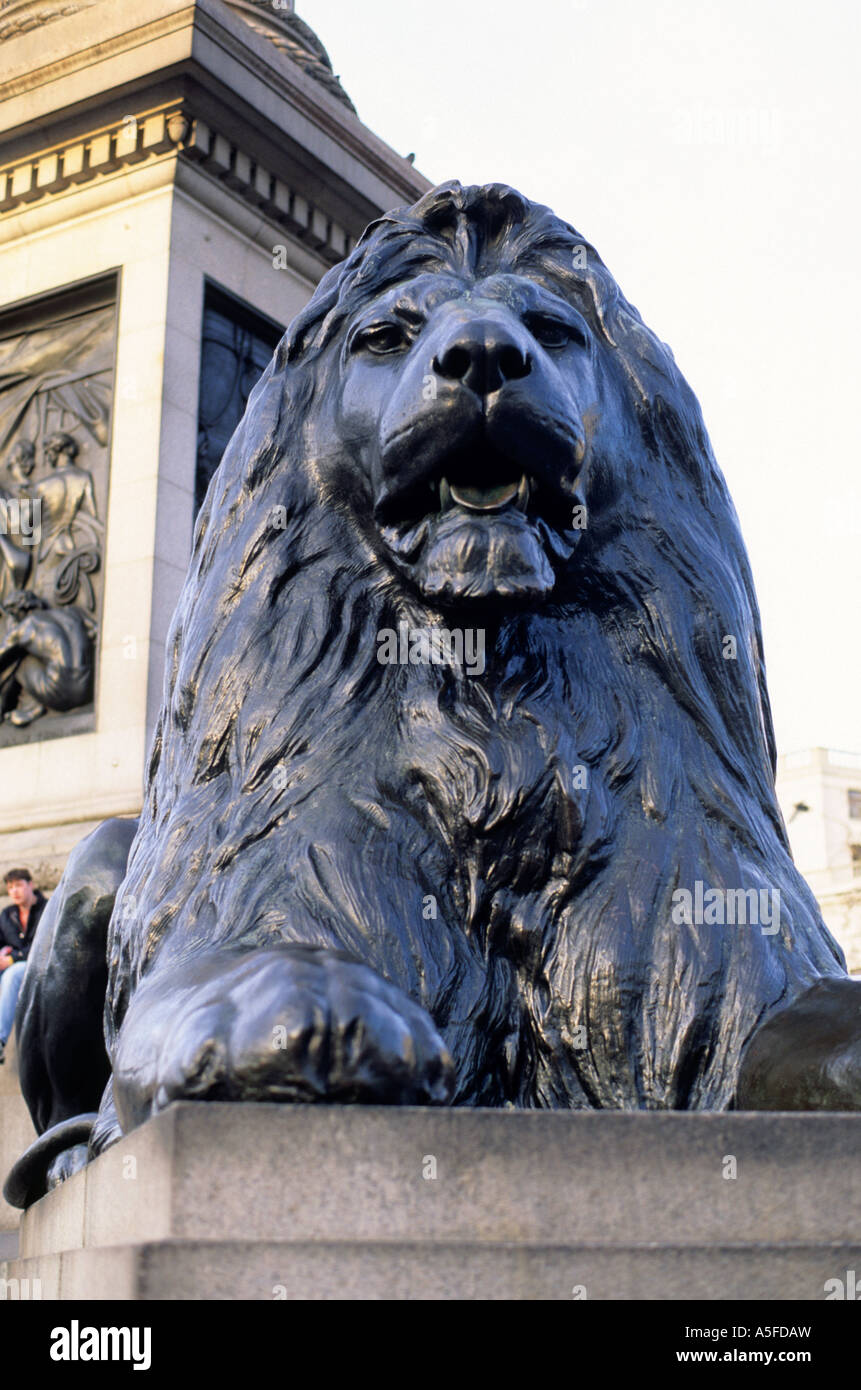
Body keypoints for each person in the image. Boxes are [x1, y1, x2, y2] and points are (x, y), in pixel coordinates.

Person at [0, 868, 47, 1062]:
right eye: (10, 888)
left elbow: (43, 944)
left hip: (40, 966)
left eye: (18, 885)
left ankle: (0, 1040)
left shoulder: (47, 909)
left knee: (13, 974)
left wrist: (13, 958)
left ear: (31, 885)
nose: (14, 892)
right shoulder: (7, 913)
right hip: (11, 966)